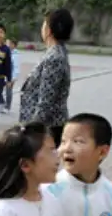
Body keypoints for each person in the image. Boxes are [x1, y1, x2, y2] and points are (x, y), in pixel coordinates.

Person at [20, 8, 74, 145]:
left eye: (44, 23)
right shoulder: (57, 52)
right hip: (47, 126)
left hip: (46, 128)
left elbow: (46, 100)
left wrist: (31, 129)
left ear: (49, 30)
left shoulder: (54, 57)